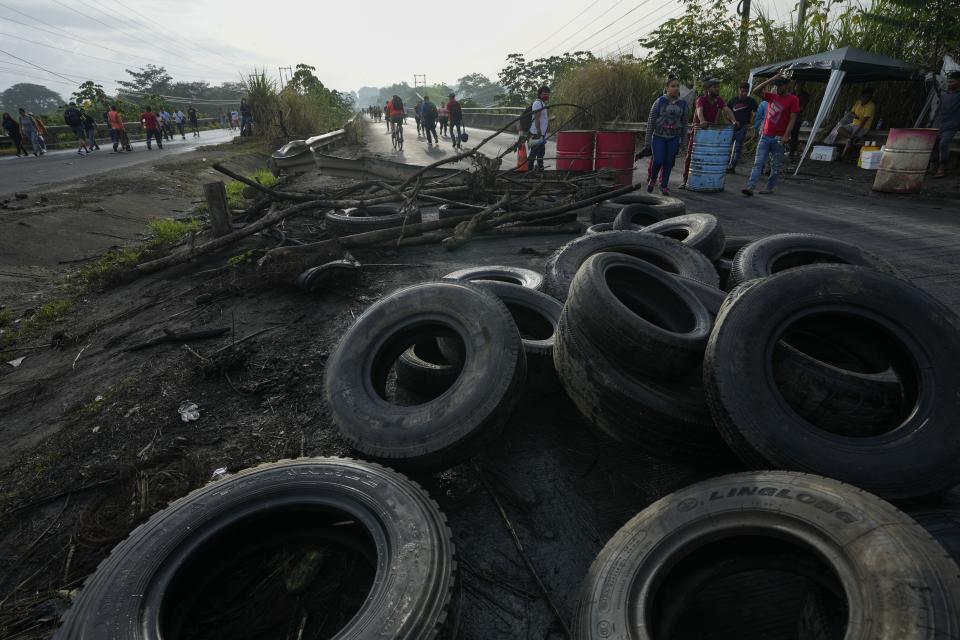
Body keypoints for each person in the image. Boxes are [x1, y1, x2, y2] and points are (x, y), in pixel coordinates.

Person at [742, 72, 801, 196]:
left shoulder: (793, 99)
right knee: (758, 163)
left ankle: (769, 187)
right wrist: (772, 79)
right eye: (776, 86)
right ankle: (750, 187)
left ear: (787, 85)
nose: (778, 88)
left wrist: (786, 135)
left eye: (780, 86)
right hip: (765, 136)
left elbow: (793, 119)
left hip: (779, 138)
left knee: (776, 166)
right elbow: (755, 91)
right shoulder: (772, 96)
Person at [681, 78, 736, 188]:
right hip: (699, 132)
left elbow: (727, 110)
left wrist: (734, 121)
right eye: (714, 87)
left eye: (718, 87)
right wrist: (702, 121)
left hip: (712, 132)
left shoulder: (718, 100)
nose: (717, 89)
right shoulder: (700, 99)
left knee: (709, 157)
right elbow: (699, 111)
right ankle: (685, 181)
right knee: (690, 157)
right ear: (707, 89)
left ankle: (705, 181)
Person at [642, 76, 688, 196]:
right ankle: (653, 179)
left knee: (668, 163)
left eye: (677, 86)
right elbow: (651, 121)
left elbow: (684, 124)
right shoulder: (660, 101)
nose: (676, 88)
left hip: (674, 138)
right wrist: (647, 140)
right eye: (673, 86)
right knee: (658, 161)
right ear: (666, 88)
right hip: (658, 137)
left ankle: (664, 185)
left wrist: (683, 143)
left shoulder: (683, 104)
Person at [834, 87, 876, 160]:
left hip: (863, 127)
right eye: (865, 96)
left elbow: (864, 122)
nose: (867, 98)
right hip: (853, 124)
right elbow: (852, 112)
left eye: (869, 97)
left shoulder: (871, 106)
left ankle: (843, 156)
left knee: (850, 141)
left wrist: (855, 133)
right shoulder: (858, 102)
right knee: (839, 129)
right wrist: (854, 115)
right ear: (862, 96)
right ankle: (853, 139)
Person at [933, 71, 960, 178]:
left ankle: (942, 168)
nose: (949, 84)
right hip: (939, 124)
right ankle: (933, 167)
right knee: (934, 145)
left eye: (952, 81)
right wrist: (933, 123)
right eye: (948, 81)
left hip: (952, 125)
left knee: (943, 144)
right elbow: (938, 110)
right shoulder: (945, 96)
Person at [727, 82, 757, 173]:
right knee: (727, 146)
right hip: (732, 127)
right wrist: (728, 121)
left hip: (743, 128)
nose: (744, 93)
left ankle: (732, 167)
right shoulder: (733, 100)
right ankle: (724, 164)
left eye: (746, 91)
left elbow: (756, 112)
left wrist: (751, 122)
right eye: (742, 91)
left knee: (738, 149)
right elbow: (726, 110)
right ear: (739, 90)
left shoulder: (751, 101)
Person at [527, 85, 550, 170]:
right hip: (536, 133)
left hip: (541, 133)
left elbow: (542, 118)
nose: (547, 96)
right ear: (540, 94)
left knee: (541, 152)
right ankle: (530, 169)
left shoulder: (542, 103)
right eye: (545, 94)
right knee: (534, 152)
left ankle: (540, 168)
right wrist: (539, 131)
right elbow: (537, 119)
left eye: (548, 94)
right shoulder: (537, 103)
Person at [788, 80, 810, 160]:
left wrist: (793, 109)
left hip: (797, 118)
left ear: (802, 86)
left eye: (800, 85)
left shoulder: (805, 95)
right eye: (797, 84)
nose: (798, 86)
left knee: (794, 136)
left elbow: (801, 107)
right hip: (788, 117)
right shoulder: (790, 94)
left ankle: (791, 153)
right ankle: (789, 151)